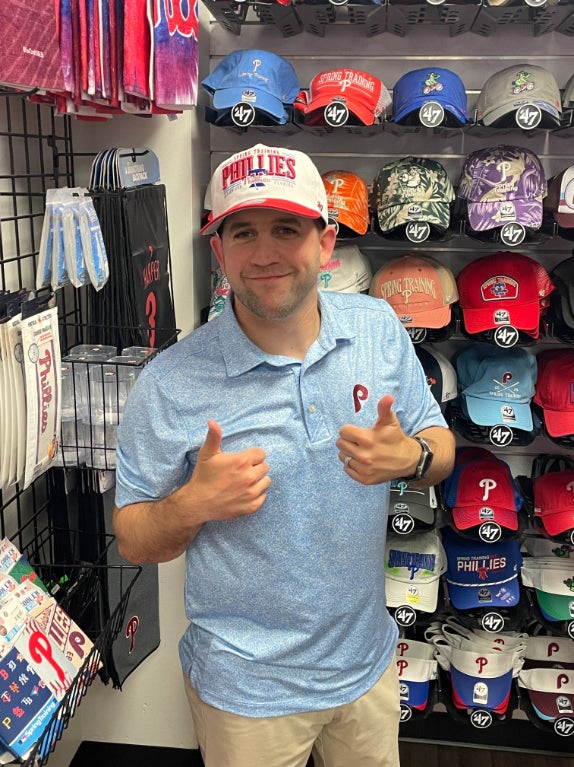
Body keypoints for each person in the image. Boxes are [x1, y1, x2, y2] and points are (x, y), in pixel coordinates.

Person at [113, 143, 455, 767]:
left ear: (325, 243)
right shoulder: (168, 382)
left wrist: (408, 460)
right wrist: (191, 506)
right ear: (218, 252)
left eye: (286, 229)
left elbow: (439, 446)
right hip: (246, 693)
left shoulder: (377, 327)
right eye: (243, 232)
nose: (265, 254)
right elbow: (134, 539)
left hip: (368, 666)